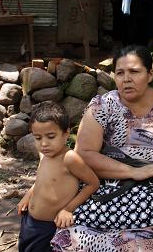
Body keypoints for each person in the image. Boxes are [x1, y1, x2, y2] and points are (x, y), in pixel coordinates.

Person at [51, 44, 153, 251]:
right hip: (101, 188)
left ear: (150, 74)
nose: (126, 78)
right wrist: (134, 172)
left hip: (149, 193)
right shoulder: (102, 105)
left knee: (139, 245)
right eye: (120, 73)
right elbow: (84, 154)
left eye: (134, 71)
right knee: (71, 239)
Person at [17, 101, 99, 252]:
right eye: (38, 138)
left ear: (66, 133)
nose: (44, 144)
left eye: (51, 136)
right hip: (29, 220)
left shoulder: (69, 158)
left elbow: (93, 183)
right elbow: (41, 181)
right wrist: (27, 196)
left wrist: (68, 209)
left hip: (48, 227)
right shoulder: (45, 155)